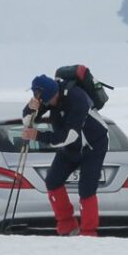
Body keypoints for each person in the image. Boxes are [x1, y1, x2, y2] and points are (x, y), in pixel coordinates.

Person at [21, 74, 109, 237]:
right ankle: (67, 225)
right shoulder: (48, 97)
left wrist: (38, 136)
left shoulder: (76, 98)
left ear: (56, 93)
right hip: (71, 147)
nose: (49, 104)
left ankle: (88, 233)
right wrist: (30, 108)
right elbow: (27, 121)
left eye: (49, 101)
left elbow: (71, 135)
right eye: (45, 102)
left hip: (93, 145)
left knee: (87, 188)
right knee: (53, 181)